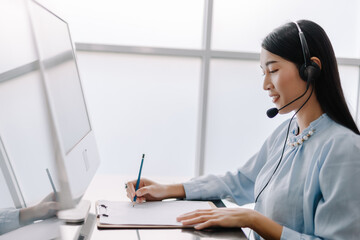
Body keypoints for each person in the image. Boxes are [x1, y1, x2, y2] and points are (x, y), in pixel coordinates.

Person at [126, 20, 360, 240]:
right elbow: (241, 180)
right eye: (263, 72)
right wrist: (166, 189)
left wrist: (252, 219)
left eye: (274, 70)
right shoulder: (287, 132)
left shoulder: (344, 149)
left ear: (311, 69)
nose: (265, 84)